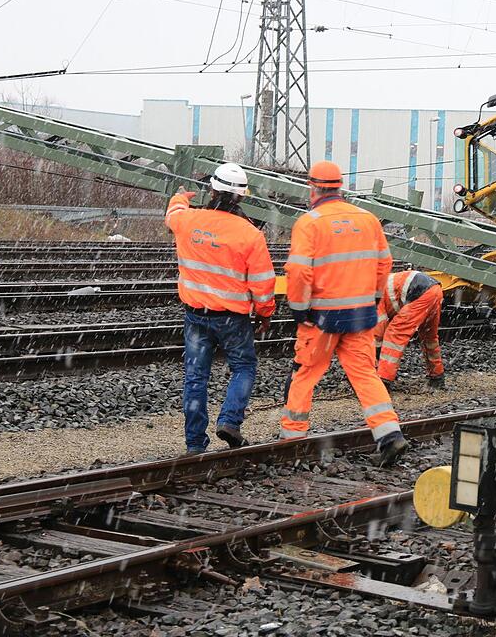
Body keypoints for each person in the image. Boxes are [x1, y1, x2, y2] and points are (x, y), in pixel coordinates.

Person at [280, 161, 408, 467]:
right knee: (364, 373)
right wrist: (373, 298)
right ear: (339, 186)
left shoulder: (309, 223)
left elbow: (298, 271)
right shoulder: (367, 219)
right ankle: (389, 434)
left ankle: (292, 439)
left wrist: (299, 308)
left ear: (312, 187)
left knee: (305, 373)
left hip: (321, 318)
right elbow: (384, 263)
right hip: (359, 316)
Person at [164, 163, 276, 455]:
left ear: (212, 190)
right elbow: (263, 283)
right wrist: (265, 313)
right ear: (241, 197)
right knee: (243, 367)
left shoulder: (188, 220)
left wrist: (180, 196)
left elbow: (172, 214)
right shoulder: (251, 235)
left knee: (195, 377)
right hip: (233, 318)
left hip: (195, 315)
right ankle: (229, 421)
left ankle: (194, 443)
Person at [375, 270, 445, 389]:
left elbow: (377, 333)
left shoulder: (372, 299)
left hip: (420, 291)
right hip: (435, 290)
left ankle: (383, 381)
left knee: (394, 334)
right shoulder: (379, 287)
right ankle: (437, 377)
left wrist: (374, 360)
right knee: (429, 337)